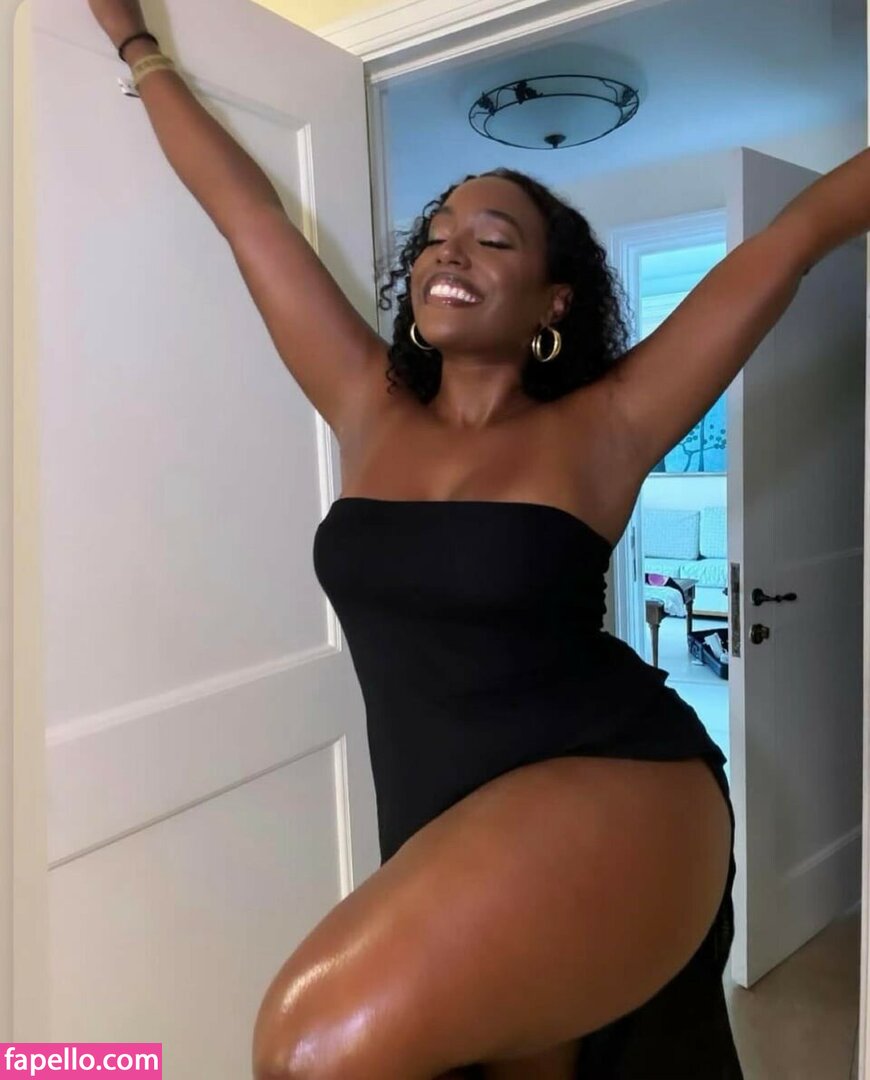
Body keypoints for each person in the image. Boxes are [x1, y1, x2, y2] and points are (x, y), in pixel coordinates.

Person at [89, 3, 869, 1077]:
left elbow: (798, 233)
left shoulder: (606, 425)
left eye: (494, 238)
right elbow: (247, 217)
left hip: (614, 782)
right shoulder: (367, 406)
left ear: (553, 301)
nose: (450, 249)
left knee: (310, 1048)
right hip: (449, 821)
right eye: (438, 234)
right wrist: (134, 43)